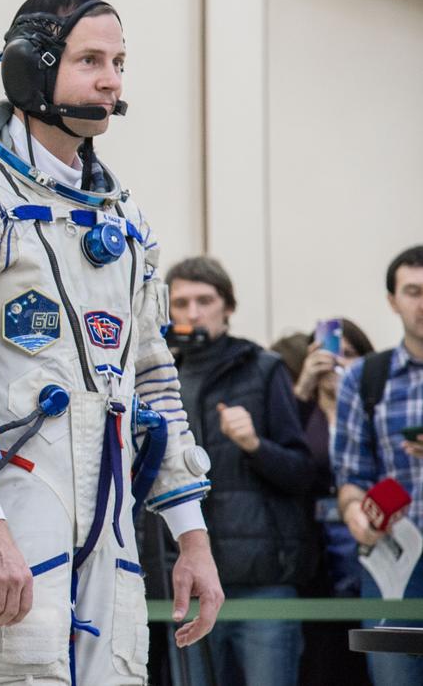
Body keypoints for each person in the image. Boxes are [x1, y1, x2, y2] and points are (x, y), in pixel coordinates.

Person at [0, 0, 223, 685]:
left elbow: (153, 377)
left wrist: (191, 535)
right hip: (10, 507)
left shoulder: (123, 218)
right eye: (89, 61)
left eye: (119, 63)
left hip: (109, 516)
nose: (110, 81)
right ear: (31, 68)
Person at [150, 257, 315, 686]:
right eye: (181, 302)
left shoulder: (264, 367)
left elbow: (303, 473)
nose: (193, 313)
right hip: (187, 576)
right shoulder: (162, 378)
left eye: (205, 300)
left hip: (262, 579)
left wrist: (255, 445)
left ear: (228, 306)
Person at [332, 244, 423, 685]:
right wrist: (355, 513)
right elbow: (351, 476)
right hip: (393, 561)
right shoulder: (366, 377)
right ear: (393, 300)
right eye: (413, 291)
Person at [273, 320, 375, 686]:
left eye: (349, 354)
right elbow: (282, 455)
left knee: (369, 645)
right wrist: (302, 388)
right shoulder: (302, 409)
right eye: (330, 354)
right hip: (314, 544)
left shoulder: (371, 408)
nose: (337, 362)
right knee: (321, 653)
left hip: (368, 538)